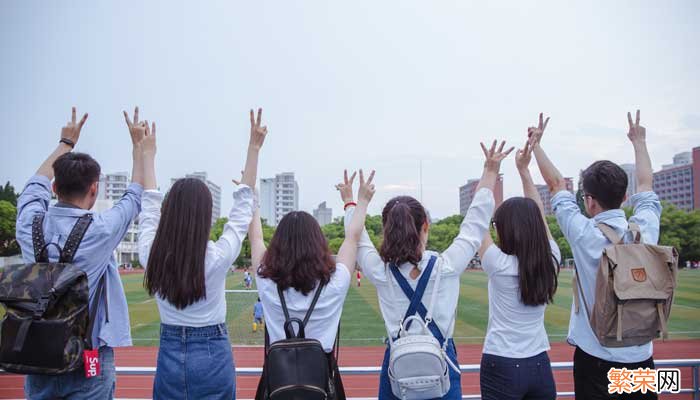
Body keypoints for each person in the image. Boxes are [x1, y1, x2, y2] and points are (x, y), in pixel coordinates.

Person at [343, 141, 513, 400]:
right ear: (426, 226)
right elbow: (474, 224)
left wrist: (352, 203)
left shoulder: (381, 273)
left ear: (387, 230)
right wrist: (490, 172)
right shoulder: (447, 267)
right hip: (441, 362)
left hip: (397, 368)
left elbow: (358, 237)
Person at [15, 106, 145, 399]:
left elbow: (34, 185)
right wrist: (138, 147)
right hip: (88, 358)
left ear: (55, 187)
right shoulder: (101, 230)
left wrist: (65, 143)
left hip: (37, 356)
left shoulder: (28, 223)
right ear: (94, 190)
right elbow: (134, 196)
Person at [138, 108, 268, 399]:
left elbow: (148, 206)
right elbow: (242, 209)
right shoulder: (217, 257)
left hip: (169, 354)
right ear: (206, 216)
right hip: (213, 354)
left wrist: (147, 154)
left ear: (168, 213)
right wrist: (254, 147)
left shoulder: (150, 254)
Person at [530, 111, 661, 400]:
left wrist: (536, 144)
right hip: (642, 359)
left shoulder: (584, 235)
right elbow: (647, 186)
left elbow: (555, 185)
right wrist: (639, 141)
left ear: (588, 201)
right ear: (625, 197)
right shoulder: (647, 230)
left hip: (597, 362)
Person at [249, 169, 374, 400]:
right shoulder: (335, 283)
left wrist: (252, 198)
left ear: (277, 244)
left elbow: (256, 238)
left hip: (277, 381)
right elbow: (352, 238)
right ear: (318, 243)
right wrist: (356, 201)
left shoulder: (266, 280)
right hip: (322, 381)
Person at [477, 140, 560, 400]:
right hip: (538, 363)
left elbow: (476, 217)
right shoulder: (552, 258)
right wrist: (524, 171)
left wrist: (490, 171)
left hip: (501, 363)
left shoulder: (499, 265)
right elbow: (538, 214)